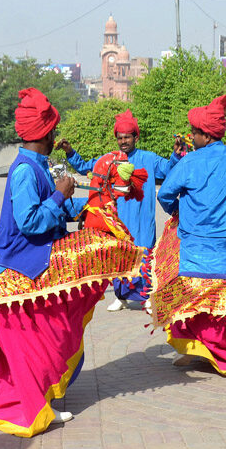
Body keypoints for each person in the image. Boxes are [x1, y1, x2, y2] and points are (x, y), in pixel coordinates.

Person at [0, 88, 142, 437]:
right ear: (46, 134)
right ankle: (27, 406)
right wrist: (60, 195)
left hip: (37, 258)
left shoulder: (37, 166)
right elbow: (31, 221)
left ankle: (37, 398)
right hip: (22, 264)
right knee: (35, 341)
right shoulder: (23, 171)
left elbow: (55, 210)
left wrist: (91, 204)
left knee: (50, 334)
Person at [152, 94, 226, 376]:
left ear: (204, 135)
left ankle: (202, 348)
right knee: (222, 305)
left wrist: (178, 210)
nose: (191, 138)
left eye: (194, 133)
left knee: (192, 302)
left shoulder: (190, 162)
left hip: (196, 247)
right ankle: (211, 351)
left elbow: (164, 194)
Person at [57, 109, 177, 311]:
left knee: (144, 254)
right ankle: (121, 298)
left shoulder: (148, 159)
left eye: (127, 137)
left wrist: (176, 154)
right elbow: (86, 166)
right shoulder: (111, 159)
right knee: (118, 256)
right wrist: (70, 152)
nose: (123, 141)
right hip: (118, 219)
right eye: (120, 138)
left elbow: (168, 168)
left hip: (141, 219)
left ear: (135, 137)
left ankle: (147, 297)